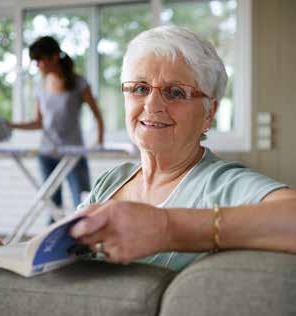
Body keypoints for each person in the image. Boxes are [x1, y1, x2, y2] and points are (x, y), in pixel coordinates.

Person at [66, 25, 296, 272]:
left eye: (175, 92)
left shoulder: (223, 185)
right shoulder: (111, 181)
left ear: (210, 112)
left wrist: (168, 228)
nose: (152, 106)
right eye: (141, 88)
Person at [7, 36, 104, 215]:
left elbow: (97, 115)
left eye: (39, 60)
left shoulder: (79, 83)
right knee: (53, 207)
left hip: (74, 153)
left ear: (53, 58)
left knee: (84, 204)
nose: (37, 65)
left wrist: (99, 142)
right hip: (47, 154)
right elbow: (39, 122)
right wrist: (9, 125)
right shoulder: (40, 86)